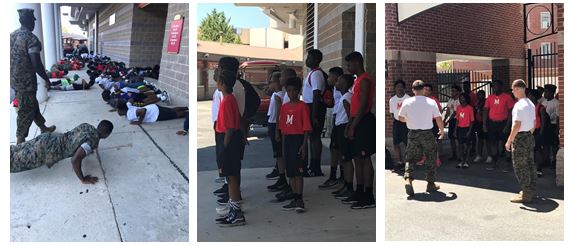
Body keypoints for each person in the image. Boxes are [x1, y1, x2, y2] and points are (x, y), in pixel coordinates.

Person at [11, 121, 113, 184]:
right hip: (47, 150)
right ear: (107, 135)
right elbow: (75, 160)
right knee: (13, 162)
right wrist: (82, 179)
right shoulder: (91, 143)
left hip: (48, 137)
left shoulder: (87, 126)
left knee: (15, 150)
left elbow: (78, 138)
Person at [10, 8, 56, 144]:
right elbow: (36, 63)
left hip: (14, 80)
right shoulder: (31, 38)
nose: (34, 23)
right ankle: (20, 142)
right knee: (25, 112)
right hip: (26, 83)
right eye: (33, 21)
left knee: (32, 105)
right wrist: (47, 79)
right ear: (31, 21)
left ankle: (43, 127)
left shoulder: (11, 36)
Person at [398, 80, 445, 197]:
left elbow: (400, 117)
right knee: (431, 157)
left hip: (413, 133)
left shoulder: (407, 102)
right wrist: (442, 130)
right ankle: (430, 183)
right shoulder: (431, 102)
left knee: (410, 156)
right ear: (424, 89)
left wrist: (409, 120)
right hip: (427, 133)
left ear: (413, 90)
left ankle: (408, 177)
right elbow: (438, 118)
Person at [344, 51, 376, 209]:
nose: (348, 67)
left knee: (364, 159)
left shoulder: (365, 80)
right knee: (357, 158)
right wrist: (349, 124)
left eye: (349, 64)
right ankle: (360, 190)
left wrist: (354, 125)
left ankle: (368, 196)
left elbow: (363, 106)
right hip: (356, 120)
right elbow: (355, 107)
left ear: (357, 62)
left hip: (364, 122)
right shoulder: (357, 80)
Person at [214, 69, 246, 226]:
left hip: (228, 140)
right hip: (230, 139)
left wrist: (224, 148)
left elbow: (230, 128)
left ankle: (237, 213)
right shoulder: (230, 98)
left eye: (218, 80)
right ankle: (234, 208)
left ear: (222, 83)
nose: (216, 83)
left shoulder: (227, 101)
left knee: (231, 177)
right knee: (230, 176)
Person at [277, 77, 311, 213]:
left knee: (299, 171)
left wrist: (304, 146)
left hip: (298, 139)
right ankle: (294, 196)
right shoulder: (284, 107)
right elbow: (283, 128)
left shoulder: (303, 106)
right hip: (288, 141)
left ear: (298, 91)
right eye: (289, 91)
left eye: (294, 91)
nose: (291, 93)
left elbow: (306, 128)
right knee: (290, 171)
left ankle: (300, 199)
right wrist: (284, 146)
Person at [269, 68, 299, 202]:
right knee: (284, 156)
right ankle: (290, 187)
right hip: (285, 130)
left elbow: (282, 114)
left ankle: (294, 191)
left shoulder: (286, 96)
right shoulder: (286, 94)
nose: (280, 79)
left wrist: (278, 130)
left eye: (282, 76)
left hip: (288, 131)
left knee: (290, 161)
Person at [506, 79, 536, 203]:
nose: (512, 92)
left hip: (520, 138)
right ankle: (530, 190)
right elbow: (534, 123)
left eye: (513, 90)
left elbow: (516, 125)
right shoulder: (530, 103)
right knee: (529, 164)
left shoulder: (519, 105)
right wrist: (529, 134)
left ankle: (526, 195)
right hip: (529, 135)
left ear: (517, 89)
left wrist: (509, 141)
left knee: (520, 166)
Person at [319, 66, 345, 189]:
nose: (328, 79)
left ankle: (341, 176)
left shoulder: (342, 91)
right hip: (337, 121)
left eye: (330, 76)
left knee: (338, 150)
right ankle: (335, 176)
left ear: (337, 78)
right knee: (334, 148)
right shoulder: (335, 89)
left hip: (342, 123)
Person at [302, 49, 327, 176]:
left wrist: (314, 115)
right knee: (311, 137)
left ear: (316, 60)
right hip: (309, 107)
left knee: (315, 137)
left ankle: (315, 166)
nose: (307, 60)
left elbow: (316, 94)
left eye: (309, 58)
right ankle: (312, 165)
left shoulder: (317, 74)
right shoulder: (312, 73)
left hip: (314, 108)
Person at [332, 74, 356, 201]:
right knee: (343, 158)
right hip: (339, 126)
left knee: (346, 159)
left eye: (339, 80)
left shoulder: (346, 97)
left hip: (343, 127)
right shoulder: (343, 96)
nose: (336, 82)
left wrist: (348, 128)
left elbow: (350, 114)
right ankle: (346, 185)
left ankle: (349, 186)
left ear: (345, 84)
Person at [483, 80, 514, 171]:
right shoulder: (489, 98)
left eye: (497, 86)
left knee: (506, 144)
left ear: (501, 87)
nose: (495, 88)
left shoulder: (507, 97)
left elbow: (510, 112)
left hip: (503, 123)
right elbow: (485, 110)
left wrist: (507, 125)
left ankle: (508, 165)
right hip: (492, 123)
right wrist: (484, 124)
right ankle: (494, 163)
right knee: (493, 143)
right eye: (494, 86)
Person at [266, 72, 288, 192]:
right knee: (278, 153)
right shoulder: (276, 94)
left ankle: (282, 177)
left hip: (275, 124)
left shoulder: (279, 96)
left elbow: (280, 113)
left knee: (279, 154)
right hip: (272, 122)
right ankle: (281, 176)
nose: (270, 84)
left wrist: (277, 130)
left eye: (272, 82)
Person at [527, 89, 549, 177]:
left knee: (538, 150)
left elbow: (543, 122)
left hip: (537, 131)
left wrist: (541, 133)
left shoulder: (541, 108)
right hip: (529, 130)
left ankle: (539, 169)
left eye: (529, 95)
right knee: (530, 150)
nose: (528, 97)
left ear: (533, 96)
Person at [389, 79, 410, 166]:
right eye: (398, 87)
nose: (399, 88)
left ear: (404, 88)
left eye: (401, 87)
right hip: (397, 123)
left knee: (407, 143)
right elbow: (392, 112)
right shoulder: (392, 100)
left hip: (406, 123)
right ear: (395, 88)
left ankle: (408, 162)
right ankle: (399, 161)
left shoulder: (408, 98)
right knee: (396, 142)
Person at [116, 101, 188, 124]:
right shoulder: (128, 106)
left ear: (121, 110)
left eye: (117, 110)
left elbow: (142, 110)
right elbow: (130, 101)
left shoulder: (130, 115)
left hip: (155, 115)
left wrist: (139, 122)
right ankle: (187, 108)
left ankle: (188, 113)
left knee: (175, 114)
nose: (117, 112)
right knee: (172, 110)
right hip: (153, 107)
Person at [540, 84, 559, 169]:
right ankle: (546, 159)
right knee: (545, 144)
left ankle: (554, 160)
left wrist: (557, 128)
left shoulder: (556, 103)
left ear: (552, 93)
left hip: (552, 125)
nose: (545, 94)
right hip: (545, 126)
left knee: (553, 145)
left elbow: (558, 117)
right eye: (544, 92)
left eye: (546, 92)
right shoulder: (544, 102)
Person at [455, 93, 475, 168]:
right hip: (460, 128)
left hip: (467, 128)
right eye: (460, 98)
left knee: (467, 145)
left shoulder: (470, 108)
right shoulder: (458, 108)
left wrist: (469, 131)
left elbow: (472, 121)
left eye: (462, 98)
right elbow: (457, 119)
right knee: (460, 145)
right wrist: (455, 130)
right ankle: (461, 160)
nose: (461, 100)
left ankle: (466, 161)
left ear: (466, 99)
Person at [445, 84, 461, 161]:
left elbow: (455, 112)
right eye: (452, 91)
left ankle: (461, 154)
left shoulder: (460, 100)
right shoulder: (450, 100)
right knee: (451, 138)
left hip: (458, 120)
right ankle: (454, 154)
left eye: (454, 91)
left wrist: (447, 120)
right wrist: (444, 119)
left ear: (458, 92)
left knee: (458, 137)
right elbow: (448, 111)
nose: (452, 92)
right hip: (451, 121)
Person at [473, 90, 487, 162]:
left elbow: (487, 112)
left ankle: (489, 155)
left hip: (484, 122)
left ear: (484, 95)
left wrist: (480, 111)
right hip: (478, 122)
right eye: (478, 95)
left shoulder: (486, 102)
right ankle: (479, 155)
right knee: (480, 139)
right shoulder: (477, 102)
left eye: (480, 95)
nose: (479, 96)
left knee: (487, 140)